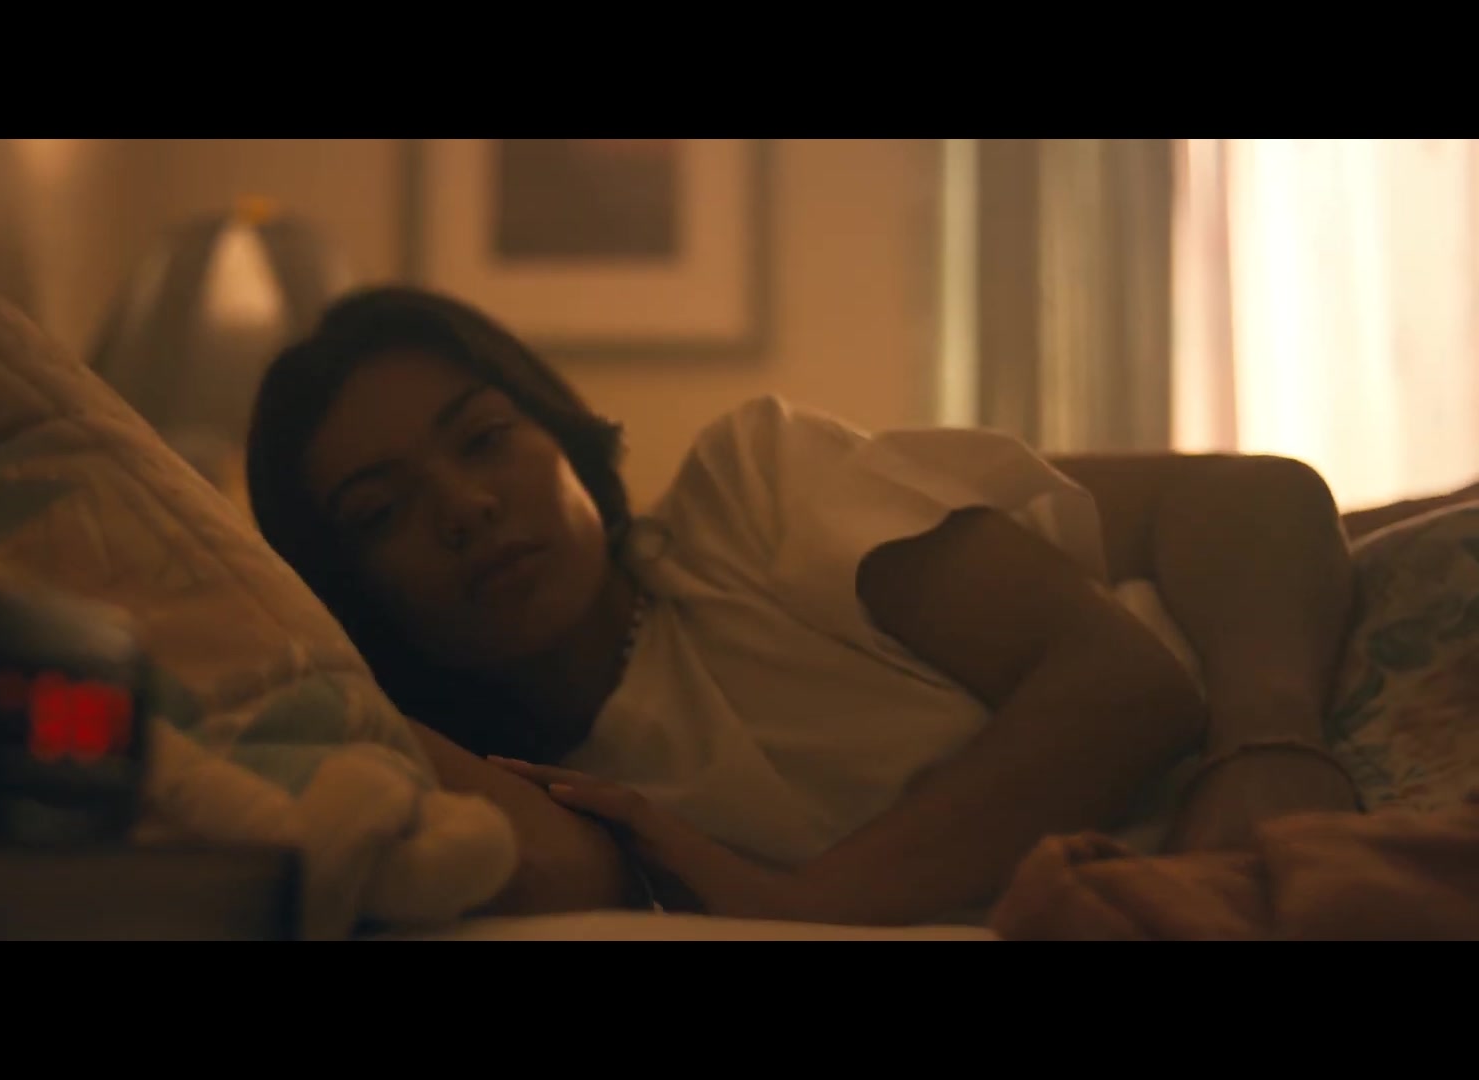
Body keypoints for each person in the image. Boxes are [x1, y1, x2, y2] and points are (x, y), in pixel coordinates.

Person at [242, 286, 1436, 926]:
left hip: (1324, 725)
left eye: (484, 439)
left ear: (558, 433)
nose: (464, 506)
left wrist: (1270, 742)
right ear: (350, 589)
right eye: (380, 512)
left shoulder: (751, 493)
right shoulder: (545, 804)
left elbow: (1132, 679)